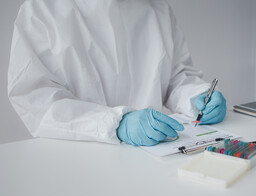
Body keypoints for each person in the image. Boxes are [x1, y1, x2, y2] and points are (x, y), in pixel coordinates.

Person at [8, 0, 226, 146]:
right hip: (79, 158)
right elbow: (35, 99)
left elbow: (176, 77)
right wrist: (113, 124)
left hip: (158, 154)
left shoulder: (157, 7)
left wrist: (196, 96)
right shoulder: (43, 9)